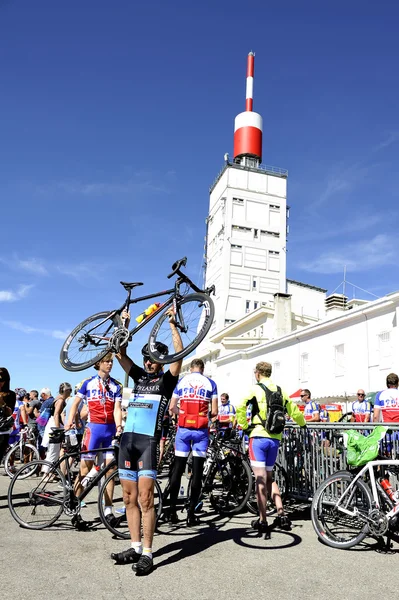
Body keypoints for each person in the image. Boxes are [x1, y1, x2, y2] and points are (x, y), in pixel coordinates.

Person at [111, 309, 183, 576]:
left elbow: (180, 357)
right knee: (128, 498)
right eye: (146, 358)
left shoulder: (166, 381)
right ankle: (135, 545)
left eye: (153, 358)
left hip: (148, 444)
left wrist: (173, 326)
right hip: (127, 442)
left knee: (146, 499)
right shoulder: (139, 377)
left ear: (161, 361)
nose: (149, 362)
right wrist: (125, 325)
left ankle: (149, 553)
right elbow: (120, 353)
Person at [236, 361, 306, 538]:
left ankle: (263, 520)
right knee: (269, 478)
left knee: (260, 479)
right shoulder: (281, 390)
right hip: (275, 438)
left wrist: (245, 426)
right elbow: (295, 411)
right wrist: (303, 424)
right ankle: (281, 513)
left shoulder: (255, 389)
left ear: (258, 373)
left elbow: (240, 406)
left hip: (258, 437)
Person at [65, 354, 122, 524]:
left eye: (111, 361)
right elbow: (75, 404)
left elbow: (117, 409)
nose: (110, 364)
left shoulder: (116, 385)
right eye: (107, 361)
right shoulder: (87, 382)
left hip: (109, 430)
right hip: (93, 430)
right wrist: (69, 421)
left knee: (110, 471)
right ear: (98, 363)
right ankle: (75, 508)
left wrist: (119, 427)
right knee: (85, 471)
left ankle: (108, 510)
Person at [168, 358, 218, 526]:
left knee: (178, 469)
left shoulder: (182, 381)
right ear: (202, 369)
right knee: (197, 472)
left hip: (183, 429)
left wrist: (181, 412)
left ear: (191, 369)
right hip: (201, 431)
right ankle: (191, 514)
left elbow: (172, 407)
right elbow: (215, 411)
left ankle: (172, 511)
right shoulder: (211, 383)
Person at [41, 382, 73, 473]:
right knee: (53, 451)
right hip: (54, 426)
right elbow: (56, 414)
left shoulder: (57, 398)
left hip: (52, 425)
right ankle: (46, 474)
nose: (70, 392)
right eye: (69, 390)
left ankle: (49, 472)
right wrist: (58, 429)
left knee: (52, 451)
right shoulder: (60, 400)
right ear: (66, 391)